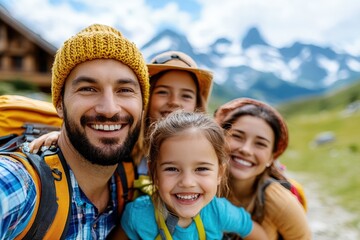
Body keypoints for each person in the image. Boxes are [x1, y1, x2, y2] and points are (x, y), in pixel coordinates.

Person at [0, 23, 149, 239]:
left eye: (125, 90)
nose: (109, 109)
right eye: (88, 89)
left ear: (143, 106)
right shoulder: (19, 183)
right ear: (59, 104)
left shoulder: (129, 182)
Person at [28, 50, 214, 177]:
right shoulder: (124, 145)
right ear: (144, 99)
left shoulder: (208, 150)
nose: (174, 101)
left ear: (198, 105)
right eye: (163, 92)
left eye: (186, 95)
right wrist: (64, 137)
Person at [121, 111, 268, 239]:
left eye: (201, 169)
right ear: (153, 173)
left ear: (219, 173)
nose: (187, 182)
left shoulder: (219, 212)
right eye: (172, 169)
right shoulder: (137, 216)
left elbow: (257, 234)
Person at [214, 98, 311, 240]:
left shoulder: (280, 203)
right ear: (220, 139)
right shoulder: (198, 184)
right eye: (237, 136)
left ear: (272, 157)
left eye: (260, 144)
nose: (246, 150)